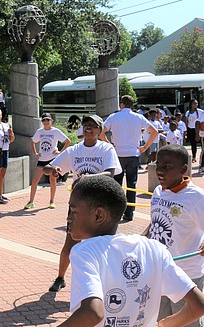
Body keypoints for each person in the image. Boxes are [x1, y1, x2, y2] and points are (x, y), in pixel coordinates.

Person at [19, 175, 204, 327]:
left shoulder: (85, 251)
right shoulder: (154, 249)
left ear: (98, 216)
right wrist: (169, 324)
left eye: (74, 211)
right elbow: (198, 305)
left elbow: (93, 312)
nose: (68, 218)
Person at [43, 115, 121, 292]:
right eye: (86, 124)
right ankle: (60, 277)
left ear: (99, 131)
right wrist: (53, 170)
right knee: (70, 241)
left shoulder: (106, 149)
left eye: (94, 126)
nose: (89, 128)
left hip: (100, 204)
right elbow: (47, 168)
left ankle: (104, 282)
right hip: (79, 205)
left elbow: (110, 173)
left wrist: (88, 178)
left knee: (102, 244)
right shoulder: (74, 150)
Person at [146, 144, 204, 327]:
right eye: (158, 166)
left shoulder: (196, 197)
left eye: (167, 167)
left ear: (184, 169)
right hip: (160, 272)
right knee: (162, 323)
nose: (160, 171)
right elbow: (156, 222)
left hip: (186, 273)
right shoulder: (159, 192)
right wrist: (142, 242)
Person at [100, 95, 158, 222]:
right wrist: (145, 147)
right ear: (132, 105)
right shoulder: (138, 117)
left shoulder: (113, 117)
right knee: (132, 184)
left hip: (118, 154)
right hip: (133, 154)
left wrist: (109, 144)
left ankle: (116, 211)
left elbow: (101, 132)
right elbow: (154, 132)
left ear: (121, 104)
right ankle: (130, 212)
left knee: (116, 184)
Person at [25, 113, 70, 210]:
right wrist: (36, 153)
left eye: (47, 120)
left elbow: (67, 141)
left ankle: (52, 201)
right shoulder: (40, 131)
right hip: (42, 159)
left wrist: (60, 152)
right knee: (35, 180)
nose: (46, 122)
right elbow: (33, 141)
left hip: (52, 160)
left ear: (51, 121)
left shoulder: (56, 131)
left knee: (52, 180)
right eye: (44, 120)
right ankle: (31, 201)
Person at [185, 100, 203, 164]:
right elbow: (187, 122)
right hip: (191, 129)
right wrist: (186, 130)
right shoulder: (188, 112)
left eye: (196, 103)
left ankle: (202, 156)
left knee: (201, 143)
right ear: (191, 104)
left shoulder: (200, 111)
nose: (195, 105)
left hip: (197, 129)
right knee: (193, 143)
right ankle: (194, 157)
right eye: (194, 103)